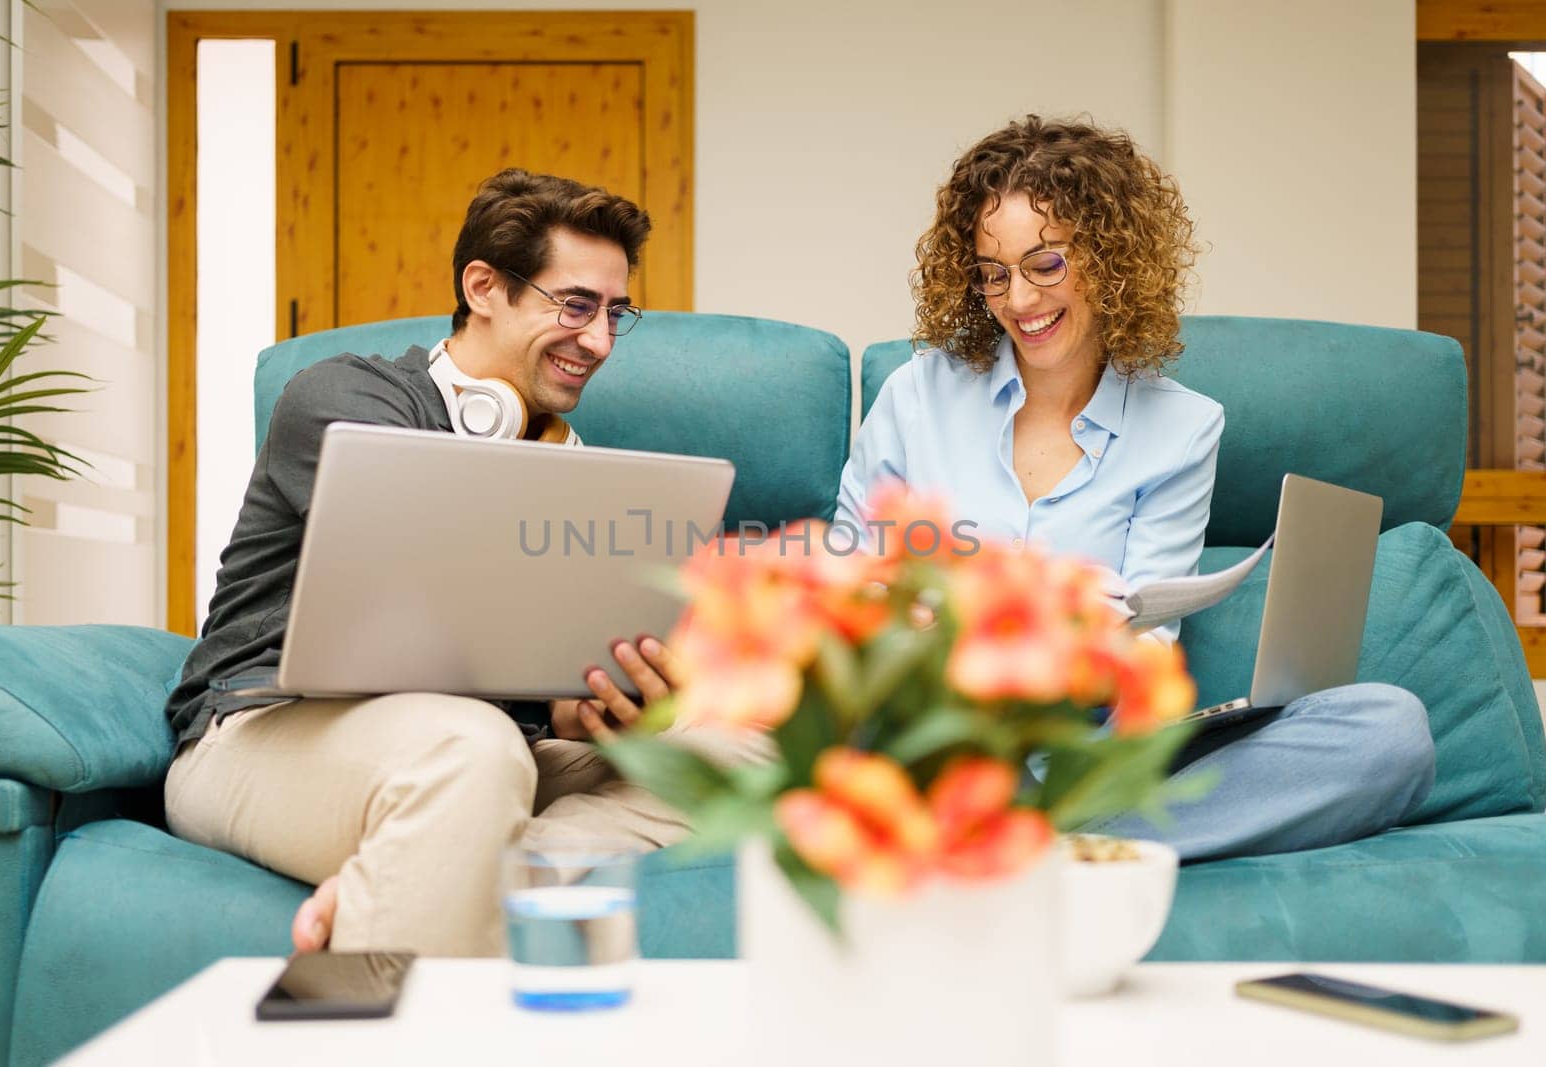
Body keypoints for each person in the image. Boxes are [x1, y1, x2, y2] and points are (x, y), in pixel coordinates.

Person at [164, 169, 736, 956]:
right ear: (483, 286)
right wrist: (547, 711)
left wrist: (607, 701)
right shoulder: (344, 400)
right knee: (469, 746)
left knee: (736, 756)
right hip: (261, 729)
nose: (599, 341)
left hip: (479, 745)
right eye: (575, 305)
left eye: (614, 313)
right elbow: (415, 619)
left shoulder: (567, 462)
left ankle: (422, 867)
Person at [835, 116, 1435, 861]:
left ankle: (1039, 843)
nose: (1017, 299)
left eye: (1045, 263)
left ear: (1111, 258)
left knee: (1389, 731)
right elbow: (844, 591)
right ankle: (1055, 847)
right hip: (924, 743)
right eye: (993, 272)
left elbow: (1149, 645)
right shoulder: (915, 397)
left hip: (1087, 765)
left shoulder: (1182, 429)